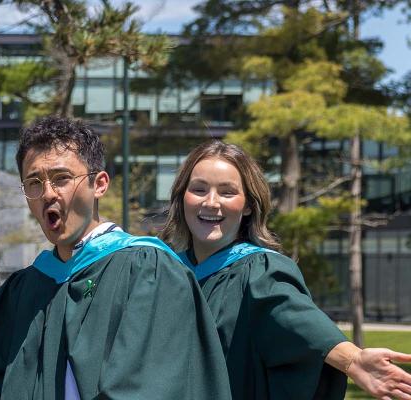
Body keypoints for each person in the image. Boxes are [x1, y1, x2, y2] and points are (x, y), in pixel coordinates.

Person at [0, 115, 230, 399]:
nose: (48, 193)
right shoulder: (21, 292)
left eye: (62, 178)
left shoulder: (148, 271)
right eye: (34, 182)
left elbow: (147, 388)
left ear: (100, 184)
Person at [160, 140, 411, 399]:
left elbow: (297, 320)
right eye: (199, 189)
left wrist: (352, 359)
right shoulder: (163, 271)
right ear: (182, 197)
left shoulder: (259, 270)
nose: (211, 202)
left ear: (248, 205)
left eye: (227, 192)